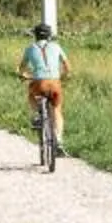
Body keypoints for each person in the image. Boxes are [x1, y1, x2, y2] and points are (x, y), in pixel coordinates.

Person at [20, 21, 70, 154]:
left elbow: (22, 68)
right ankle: (58, 140)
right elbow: (67, 67)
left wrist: (24, 75)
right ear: (49, 36)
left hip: (39, 83)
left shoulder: (30, 48)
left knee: (31, 94)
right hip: (54, 83)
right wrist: (63, 77)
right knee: (57, 111)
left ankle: (37, 114)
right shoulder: (57, 46)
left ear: (35, 35)